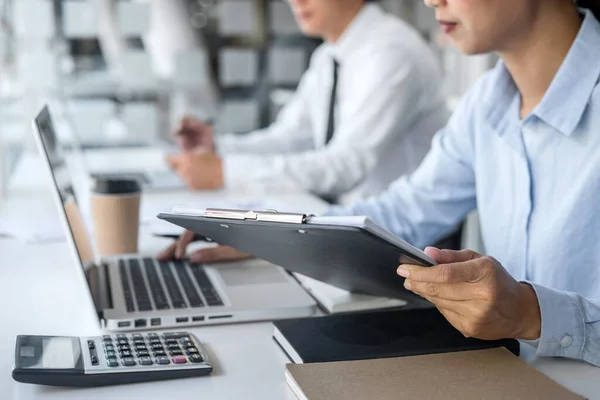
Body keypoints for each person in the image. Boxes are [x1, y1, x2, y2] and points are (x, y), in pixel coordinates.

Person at [160, 0, 600, 367]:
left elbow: (346, 165)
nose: (431, 0)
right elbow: (404, 211)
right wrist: (266, 230)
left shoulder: (395, 53)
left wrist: (533, 314)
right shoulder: (487, 102)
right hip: (511, 371)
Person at [165, 0, 448, 206]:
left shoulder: (391, 53)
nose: (296, 1)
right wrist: (218, 148)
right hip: (342, 220)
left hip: (400, 241)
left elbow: (345, 166)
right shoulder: (329, 56)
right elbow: (291, 137)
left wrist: (225, 172)